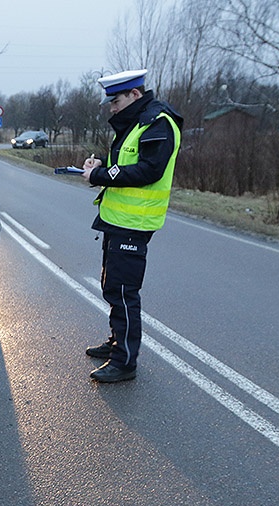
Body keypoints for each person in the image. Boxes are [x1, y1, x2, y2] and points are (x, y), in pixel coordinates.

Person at [81, 69, 183, 383]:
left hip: (135, 223)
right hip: (117, 221)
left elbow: (149, 170)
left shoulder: (158, 124)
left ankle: (124, 361)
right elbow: (126, 165)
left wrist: (100, 176)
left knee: (124, 291)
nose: (111, 107)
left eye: (116, 100)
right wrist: (100, 167)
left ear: (134, 95)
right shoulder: (136, 123)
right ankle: (116, 341)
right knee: (112, 285)